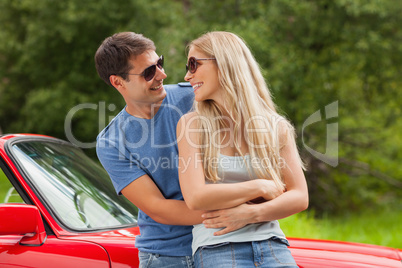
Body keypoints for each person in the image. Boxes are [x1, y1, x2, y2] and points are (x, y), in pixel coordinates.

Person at [94, 32, 283, 268]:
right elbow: (160, 209)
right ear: (118, 82)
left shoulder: (196, 96)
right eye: (149, 72)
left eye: (159, 63)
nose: (162, 74)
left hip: (226, 242)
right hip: (166, 254)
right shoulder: (111, 142)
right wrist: (241, 210)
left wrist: (250, 212)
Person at [177, 31, 309, 267]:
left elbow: (299, 197)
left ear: (224, 62)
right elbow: (196, 197)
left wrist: (252, 214)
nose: (188, 75)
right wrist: (261, 186)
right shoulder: (192, 125)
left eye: (194, 64)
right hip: (217, 247)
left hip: (272, 243)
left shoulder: (276, 127)